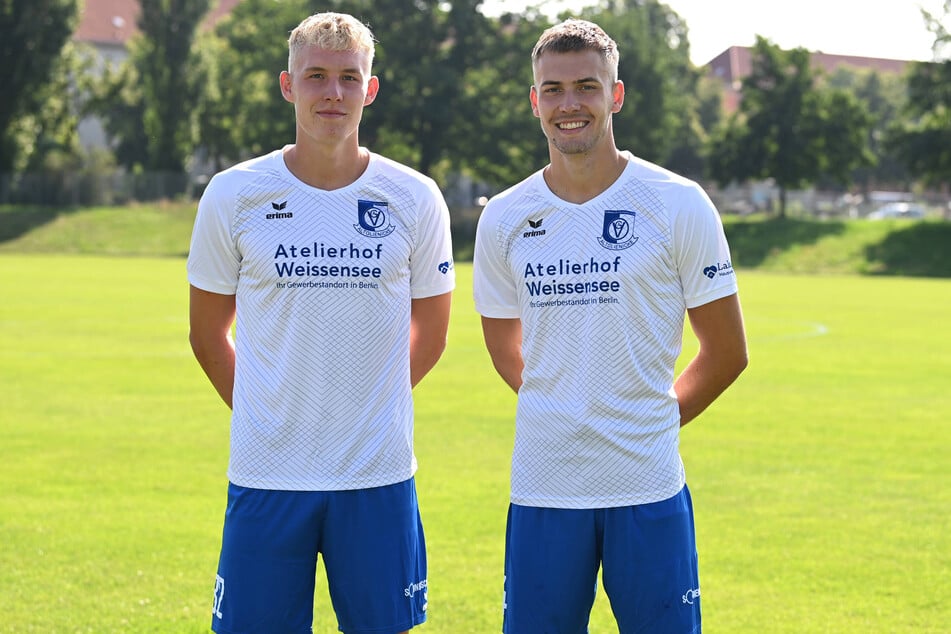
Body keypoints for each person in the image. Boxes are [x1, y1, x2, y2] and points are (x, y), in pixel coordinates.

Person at [472, 19, 748, 634]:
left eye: (586, 87)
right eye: (553, 89)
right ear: (535, 101)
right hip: (544, 487)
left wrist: (650, 421)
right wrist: (567, 409)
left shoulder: (677, 202)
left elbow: (727, 351)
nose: (569, 104)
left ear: (615, 95)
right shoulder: (505, 217)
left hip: (647, 485)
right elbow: (503, 347)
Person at [187, 12, 454, 634]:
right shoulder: (234, 194)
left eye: (348, 77)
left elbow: (433, 332)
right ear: (288, 85)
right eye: (316, 76)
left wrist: (366, 408)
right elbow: (207, 334)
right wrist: (267, 411)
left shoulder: (415, 197)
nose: (333, 92)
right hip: (267, 472)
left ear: (370, 88)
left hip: (377, 474)